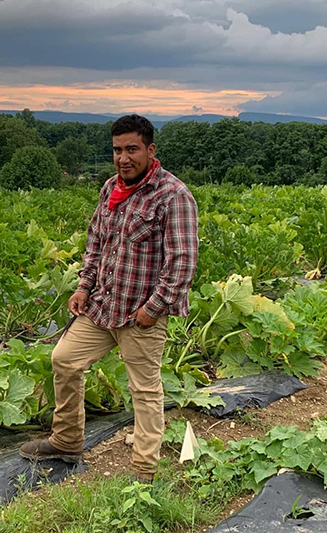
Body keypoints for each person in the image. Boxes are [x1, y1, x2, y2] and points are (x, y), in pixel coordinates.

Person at [19, 114, 199, 481]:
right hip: (103, 304)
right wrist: (84, 285)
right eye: (117, 150)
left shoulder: (173, 195)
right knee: (64, 359)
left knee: (144, 390)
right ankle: (67, 440)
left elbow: (182, 262)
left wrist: (153, 308)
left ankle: (143, 471)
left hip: (141, 313)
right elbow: (96, 242)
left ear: (151, 150)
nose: (123, 158)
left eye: (132, 149)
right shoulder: (110, 189)